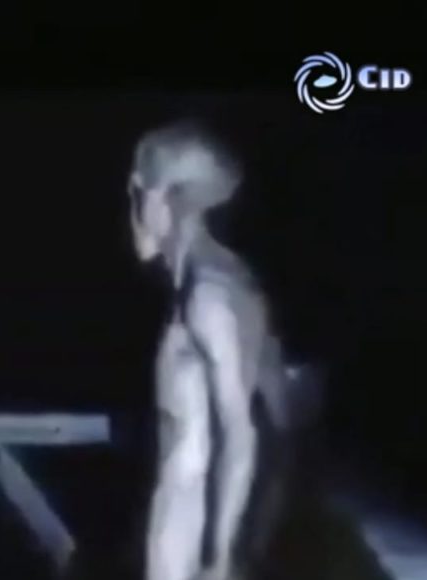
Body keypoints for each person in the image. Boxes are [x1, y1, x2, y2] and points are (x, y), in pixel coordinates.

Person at [126, 120, 296, 580]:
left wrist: (219, 561)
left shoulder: (210, 296)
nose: (133, 210)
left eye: (137, 194)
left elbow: (242, 436)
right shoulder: (205, 287)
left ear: (160, 197)